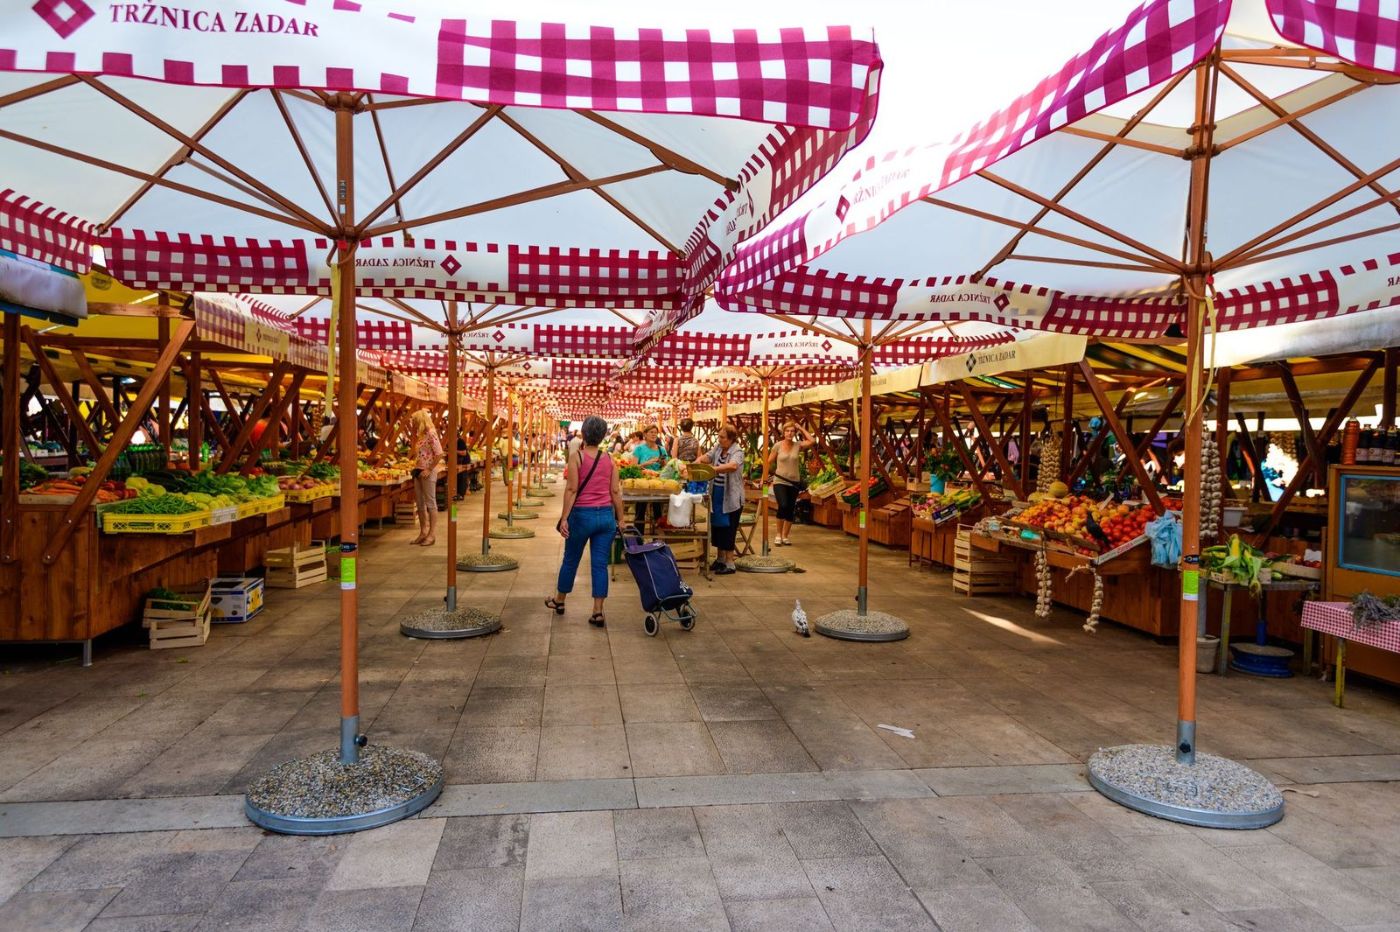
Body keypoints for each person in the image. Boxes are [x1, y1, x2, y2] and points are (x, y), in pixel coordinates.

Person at [546, 415, 624, 628]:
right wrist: (622, 518)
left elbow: (571, 489)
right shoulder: (609, 459)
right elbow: (615, 491)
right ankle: (598, 611)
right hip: (606, 517)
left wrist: (564, 518)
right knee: (600, 564)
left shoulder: (577, 457)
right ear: (602, 435)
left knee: (571, 559)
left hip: (581, 516)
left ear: (585, 434)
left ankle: (559, 601)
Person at [699, 423, 745, 574]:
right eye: (718, 436)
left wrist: (714, 469)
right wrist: (697, 462)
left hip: (731, 497)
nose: (719, 439)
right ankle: (719, 560)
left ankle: (730, 563)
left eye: (722, 437)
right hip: (716, 494)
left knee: (729, 529)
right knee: (717, 527)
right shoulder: (718, 448)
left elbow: (733, 466)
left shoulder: (737, 451)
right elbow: (708, 456)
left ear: (731, 439)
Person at [768, 421, 814, 546]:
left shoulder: (798, 445)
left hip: (794, 482)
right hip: (780, 481)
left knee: (790, 508)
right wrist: (764, 478)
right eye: (787, 431)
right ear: (783, 432)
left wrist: (801, 428)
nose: (790, 433)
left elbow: (812, 440)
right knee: (783, 505)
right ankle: (778, 534)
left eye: (792, 431)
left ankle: (785, 536)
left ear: (795, 433)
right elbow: (768, 462)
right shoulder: (777, 446)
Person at [409, 409, 442, 546]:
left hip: (427, 472)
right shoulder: (422, 435)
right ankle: (423, 532)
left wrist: (429, 469)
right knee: (420, 504)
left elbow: (439, 453)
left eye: (415, 421)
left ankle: (432, 534)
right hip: (418, 471)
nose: (413, 424)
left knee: (430, 502)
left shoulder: (431, 433)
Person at [632, 424, 667, 528]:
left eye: (655, 433)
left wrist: (663, 463)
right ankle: (638, 539)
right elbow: (633, 467)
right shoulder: (639, 449)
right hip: (642, 484)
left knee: (658, 512)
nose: (654, 434)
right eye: (651, 432)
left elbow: (666, 468)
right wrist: (647, 463)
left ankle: (658, 540)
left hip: (658, 484)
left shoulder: (662, 450)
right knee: (640, 511)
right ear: (645, 434)